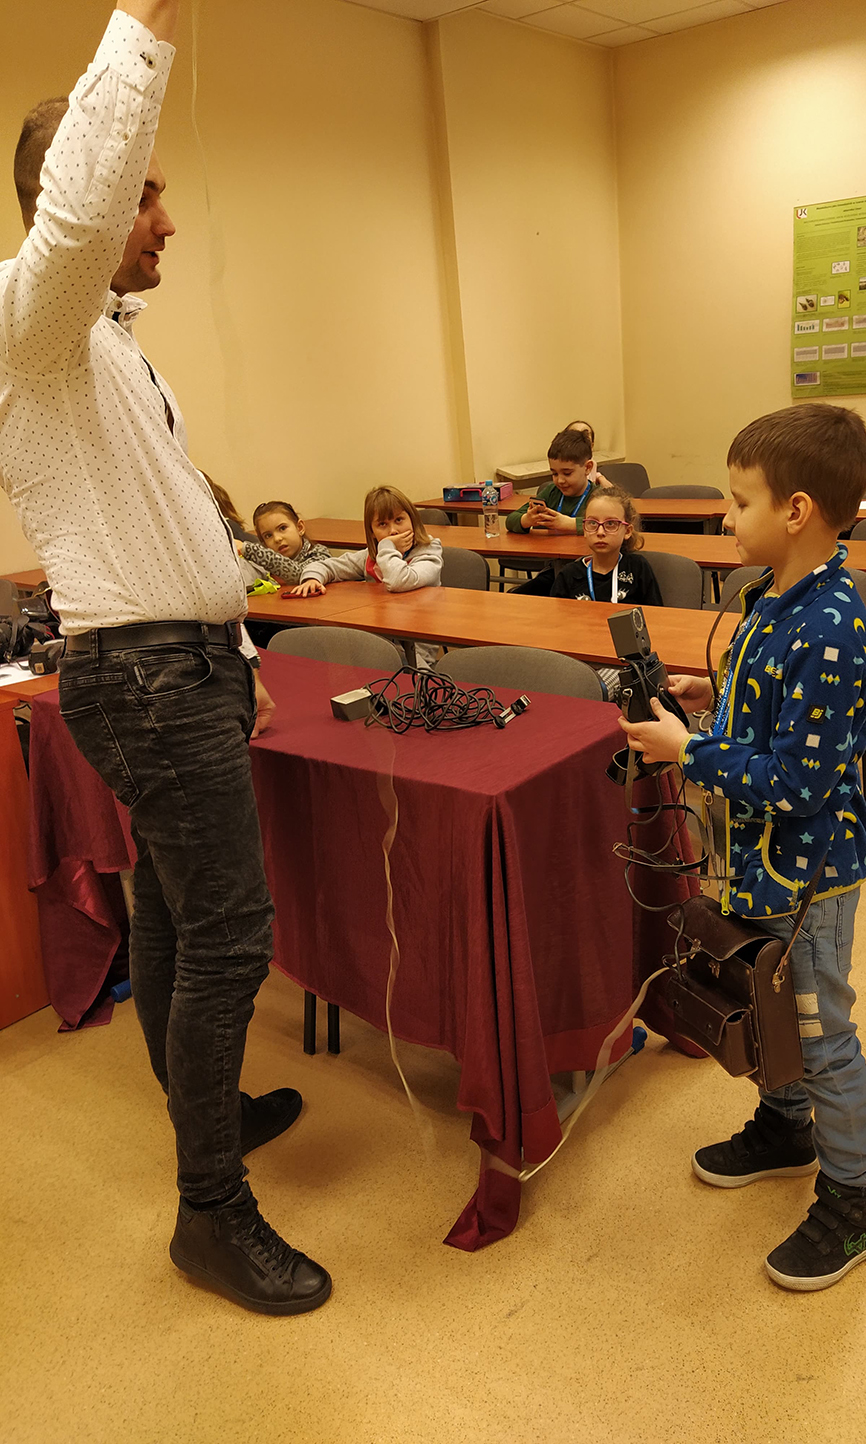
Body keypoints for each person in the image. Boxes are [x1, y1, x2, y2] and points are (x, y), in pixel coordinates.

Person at [1, 2, 331, 1314]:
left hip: (176, 668)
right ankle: (210, 1211)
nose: (166, 220)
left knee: (171, 916)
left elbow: (181, 523)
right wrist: (142, 25)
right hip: (143, 678)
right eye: (146, 194)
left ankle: (213, 1118)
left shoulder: (105, 350)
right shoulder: (33, 317)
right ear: (76, 199)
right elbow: (78, 216)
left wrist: (237, 652)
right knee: (232, 939)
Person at [620, 403, 866, 1293]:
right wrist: (714, 697)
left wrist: (688, 752)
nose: (727, 517)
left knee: (820, 1032)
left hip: (809, 878)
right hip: (759, 860)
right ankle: (786, 1127)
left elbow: (800, 783)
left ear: (796, 510)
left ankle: (854, 1203)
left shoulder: (832, 625)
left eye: (740, 502)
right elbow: (768, 712)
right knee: (770, 1005)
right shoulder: (771, 597)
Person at [290, 486, 442, 596]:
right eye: (382, 524)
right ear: (372, 532)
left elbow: (399, 581)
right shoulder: (370, 557)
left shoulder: (428, 552)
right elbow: (329, 566)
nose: (393, 531)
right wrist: (312, 579)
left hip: (421, 626)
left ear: (412, 520)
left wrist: (387, 546)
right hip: (384, 622)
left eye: (399, 520)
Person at [505, 428, 602, 596]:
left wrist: (570, 524)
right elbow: (511, 520)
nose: (560, 480)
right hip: (555, 570)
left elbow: (606, 526)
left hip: (590, 571)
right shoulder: (551, 492)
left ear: (587, 468)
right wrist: (527, 520)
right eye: (554, 473)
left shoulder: (600, 497)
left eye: (567, 473)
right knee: (516, 597)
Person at [551, 488, 662, 605]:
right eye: (592, 523)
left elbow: (655, 613)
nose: (600, 532)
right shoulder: (568, 575)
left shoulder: (638, 568)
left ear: (627, 531)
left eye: (610, 523)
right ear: (584, 529)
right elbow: (555, 615)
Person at [238, 500, 332, 585]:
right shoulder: (263, 563)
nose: (277, 539)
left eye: (282, 528)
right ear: (264, 543)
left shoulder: (320, 554)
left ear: (300, 528)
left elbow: (302, 574)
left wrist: (248, 549)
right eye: (268, 536)